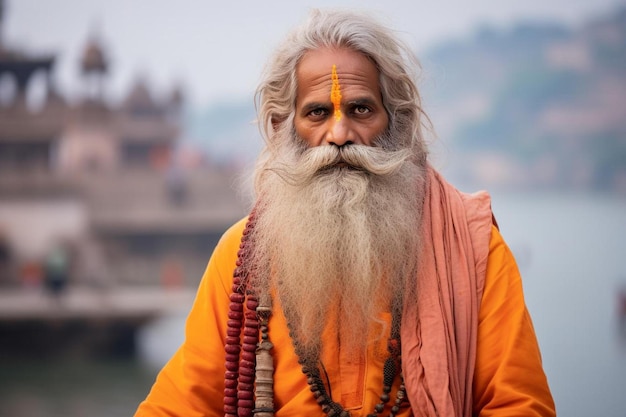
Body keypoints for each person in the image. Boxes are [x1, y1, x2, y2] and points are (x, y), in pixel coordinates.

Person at [135, 9, 555, 417]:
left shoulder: (473, 247)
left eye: (361, 110)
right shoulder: (242, 257)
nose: (339, 135)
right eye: (318, 112)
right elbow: (180, 405)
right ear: (284, 126)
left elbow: (520, 405)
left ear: (396, 122)